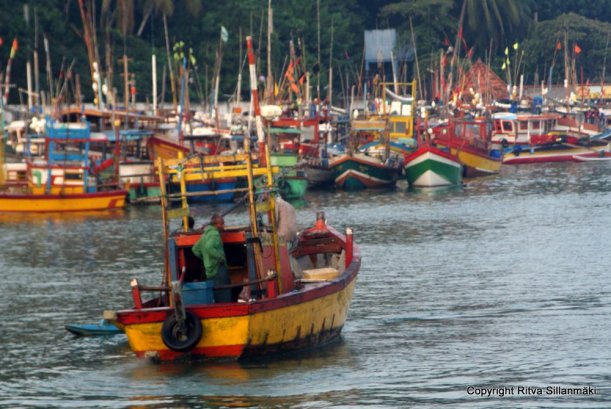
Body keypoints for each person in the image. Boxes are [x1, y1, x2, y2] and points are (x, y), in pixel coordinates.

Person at [192, 214, 231, 303]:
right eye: (221, 224)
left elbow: (195, 249)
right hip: (218, 268)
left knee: (213, 291)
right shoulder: (215, 234)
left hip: (209, 269)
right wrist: (219, 257)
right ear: (215, 225)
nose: (223, 226)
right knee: (224, 292)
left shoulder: (205, 234)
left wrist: (205, 258)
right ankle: (226, 309)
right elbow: (209, 247)